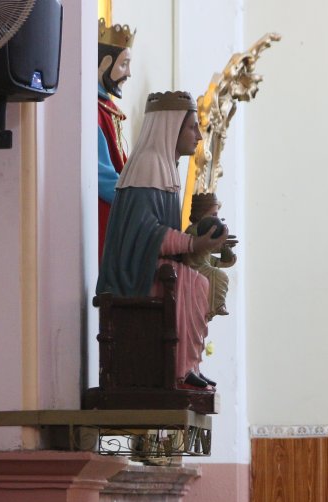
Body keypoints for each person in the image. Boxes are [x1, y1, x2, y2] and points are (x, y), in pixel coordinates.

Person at [97, 91, 226, 390]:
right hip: (131, 275)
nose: (197, 135)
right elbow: (145, 234)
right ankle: (178, 372)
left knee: (201, 280)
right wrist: (193, 245)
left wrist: (201, 241)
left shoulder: (165, 165)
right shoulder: (149, 164)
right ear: (172, 126)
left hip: (148, 268)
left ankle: (187, 365)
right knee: (191, 283)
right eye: (192, 126)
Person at [97, 19, 135, 261]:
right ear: (104, 64)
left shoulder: (107, 109)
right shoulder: (94, 113)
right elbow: (103, 177)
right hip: (104, 218)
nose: (129, 74)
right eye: (124, 65)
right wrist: (138, 197)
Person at [184, 193, 238, 320]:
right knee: (219, 275)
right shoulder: (193, 231)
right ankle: (217, 305)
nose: (217, 219)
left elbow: (208, 258)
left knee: (219, 275)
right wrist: (220, 243)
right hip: (192, 268)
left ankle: (215, 306)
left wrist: (226, 257)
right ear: (200, 214)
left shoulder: (204, 234)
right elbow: (202, 248)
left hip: (202, 266)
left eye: (217, 215)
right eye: (213, 215)